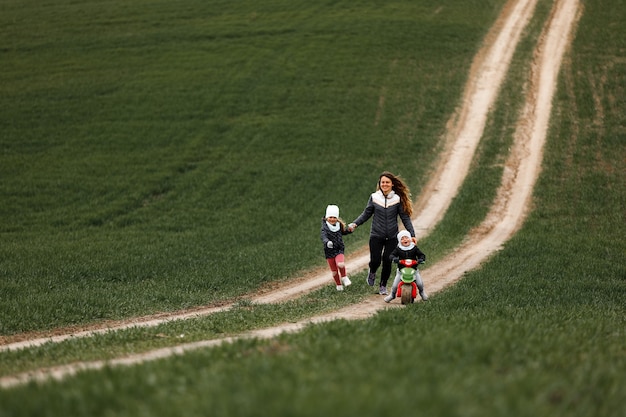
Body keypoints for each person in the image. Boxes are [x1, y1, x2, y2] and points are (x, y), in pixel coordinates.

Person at [348, 171, 416, 295]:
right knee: (375, 260)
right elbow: (366, 214)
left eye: (387, 182)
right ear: (379, 184)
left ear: (392, 184)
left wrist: (412, 234)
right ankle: (372, 272)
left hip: (392, 236)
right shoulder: (374, 197)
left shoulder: (397, 199)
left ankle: (383, 285)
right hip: (376, 235)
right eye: (382, 182)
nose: (384, 184)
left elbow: (405, 218)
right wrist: (354, 224)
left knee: (387, 260)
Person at [384, 230, 428, 303]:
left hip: (413, 270)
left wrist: (421, 259)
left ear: (410, 239)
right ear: (399, 241)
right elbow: (392, 255)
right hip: (401, 271)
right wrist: (395, 259)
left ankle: (422, 292)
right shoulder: (398, 249)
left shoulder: (414, 248)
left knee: (419, 283)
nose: (405, 240)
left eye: (406, 237)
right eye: (402, 238)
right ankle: (392, 295)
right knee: (395, 285)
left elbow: (421, 255)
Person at [321, 204, 353, 291]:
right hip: (329, 251)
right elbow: (323, 237)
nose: (332, 219)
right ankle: (338, 285)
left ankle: (344, 277)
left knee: (340, 264)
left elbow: (343, 232)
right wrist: (327, 242)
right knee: (334, 271)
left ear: (337, 218)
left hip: (339, 249)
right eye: (330, 217)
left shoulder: (338, 225)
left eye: (334, 217)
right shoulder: (325, 228)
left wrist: (349, 231)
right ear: (327, 217)